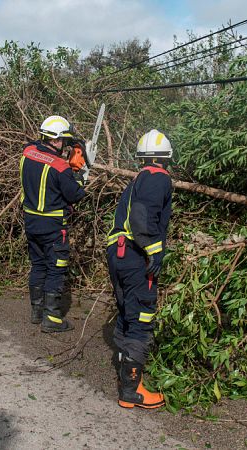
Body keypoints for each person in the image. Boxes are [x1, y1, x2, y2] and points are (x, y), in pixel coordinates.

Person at [106, 129, 173, 409]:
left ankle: (126, 376)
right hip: (135, 255)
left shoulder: (139, 179)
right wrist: (154, 251)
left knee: (127, 312)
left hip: (119, 253)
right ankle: (132, 391)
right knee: (142, 316)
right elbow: (142, 217)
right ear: (165, 159)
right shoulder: (158, 178)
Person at [20, 115, 87, 332]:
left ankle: (36, 312)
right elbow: (75, 194)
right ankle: (52, 319)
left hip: (31, 221)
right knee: (56, 268)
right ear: (56, 140)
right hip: (53, 226)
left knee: (38, 265)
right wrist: (79, 174)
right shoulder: (60, 167)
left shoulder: (27, 152)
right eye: (64, 141)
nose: (65, 145)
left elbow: (41, 160)